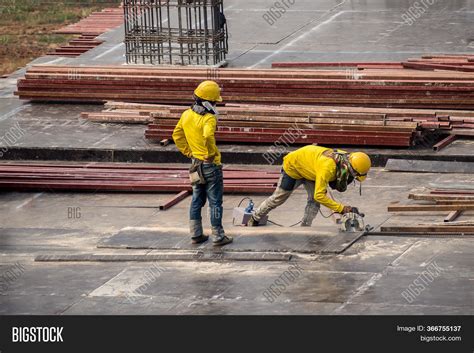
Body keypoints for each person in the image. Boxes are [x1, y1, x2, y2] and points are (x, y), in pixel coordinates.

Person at [247, 145, 371, 227]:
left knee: (313, 202)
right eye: (355, 175)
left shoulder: (348, 158)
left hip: (311, 170)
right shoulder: (328, 167)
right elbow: (319, 195)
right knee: (278, 198)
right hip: (294, 167)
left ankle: (305, 228)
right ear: (351, 168)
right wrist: (341, 209)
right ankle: (254, 218)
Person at [172, 80, 233, 246]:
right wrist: (211, 154)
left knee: (197, 199)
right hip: (210, 165)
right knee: (215, 201)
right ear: (209, 102)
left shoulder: (186, 114)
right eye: (214, 101)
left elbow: (176, 135)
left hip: (195, 164)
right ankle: (218, 236)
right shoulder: (209, 119)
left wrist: (188, 152)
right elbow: (207, 136)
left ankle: (196, 234)